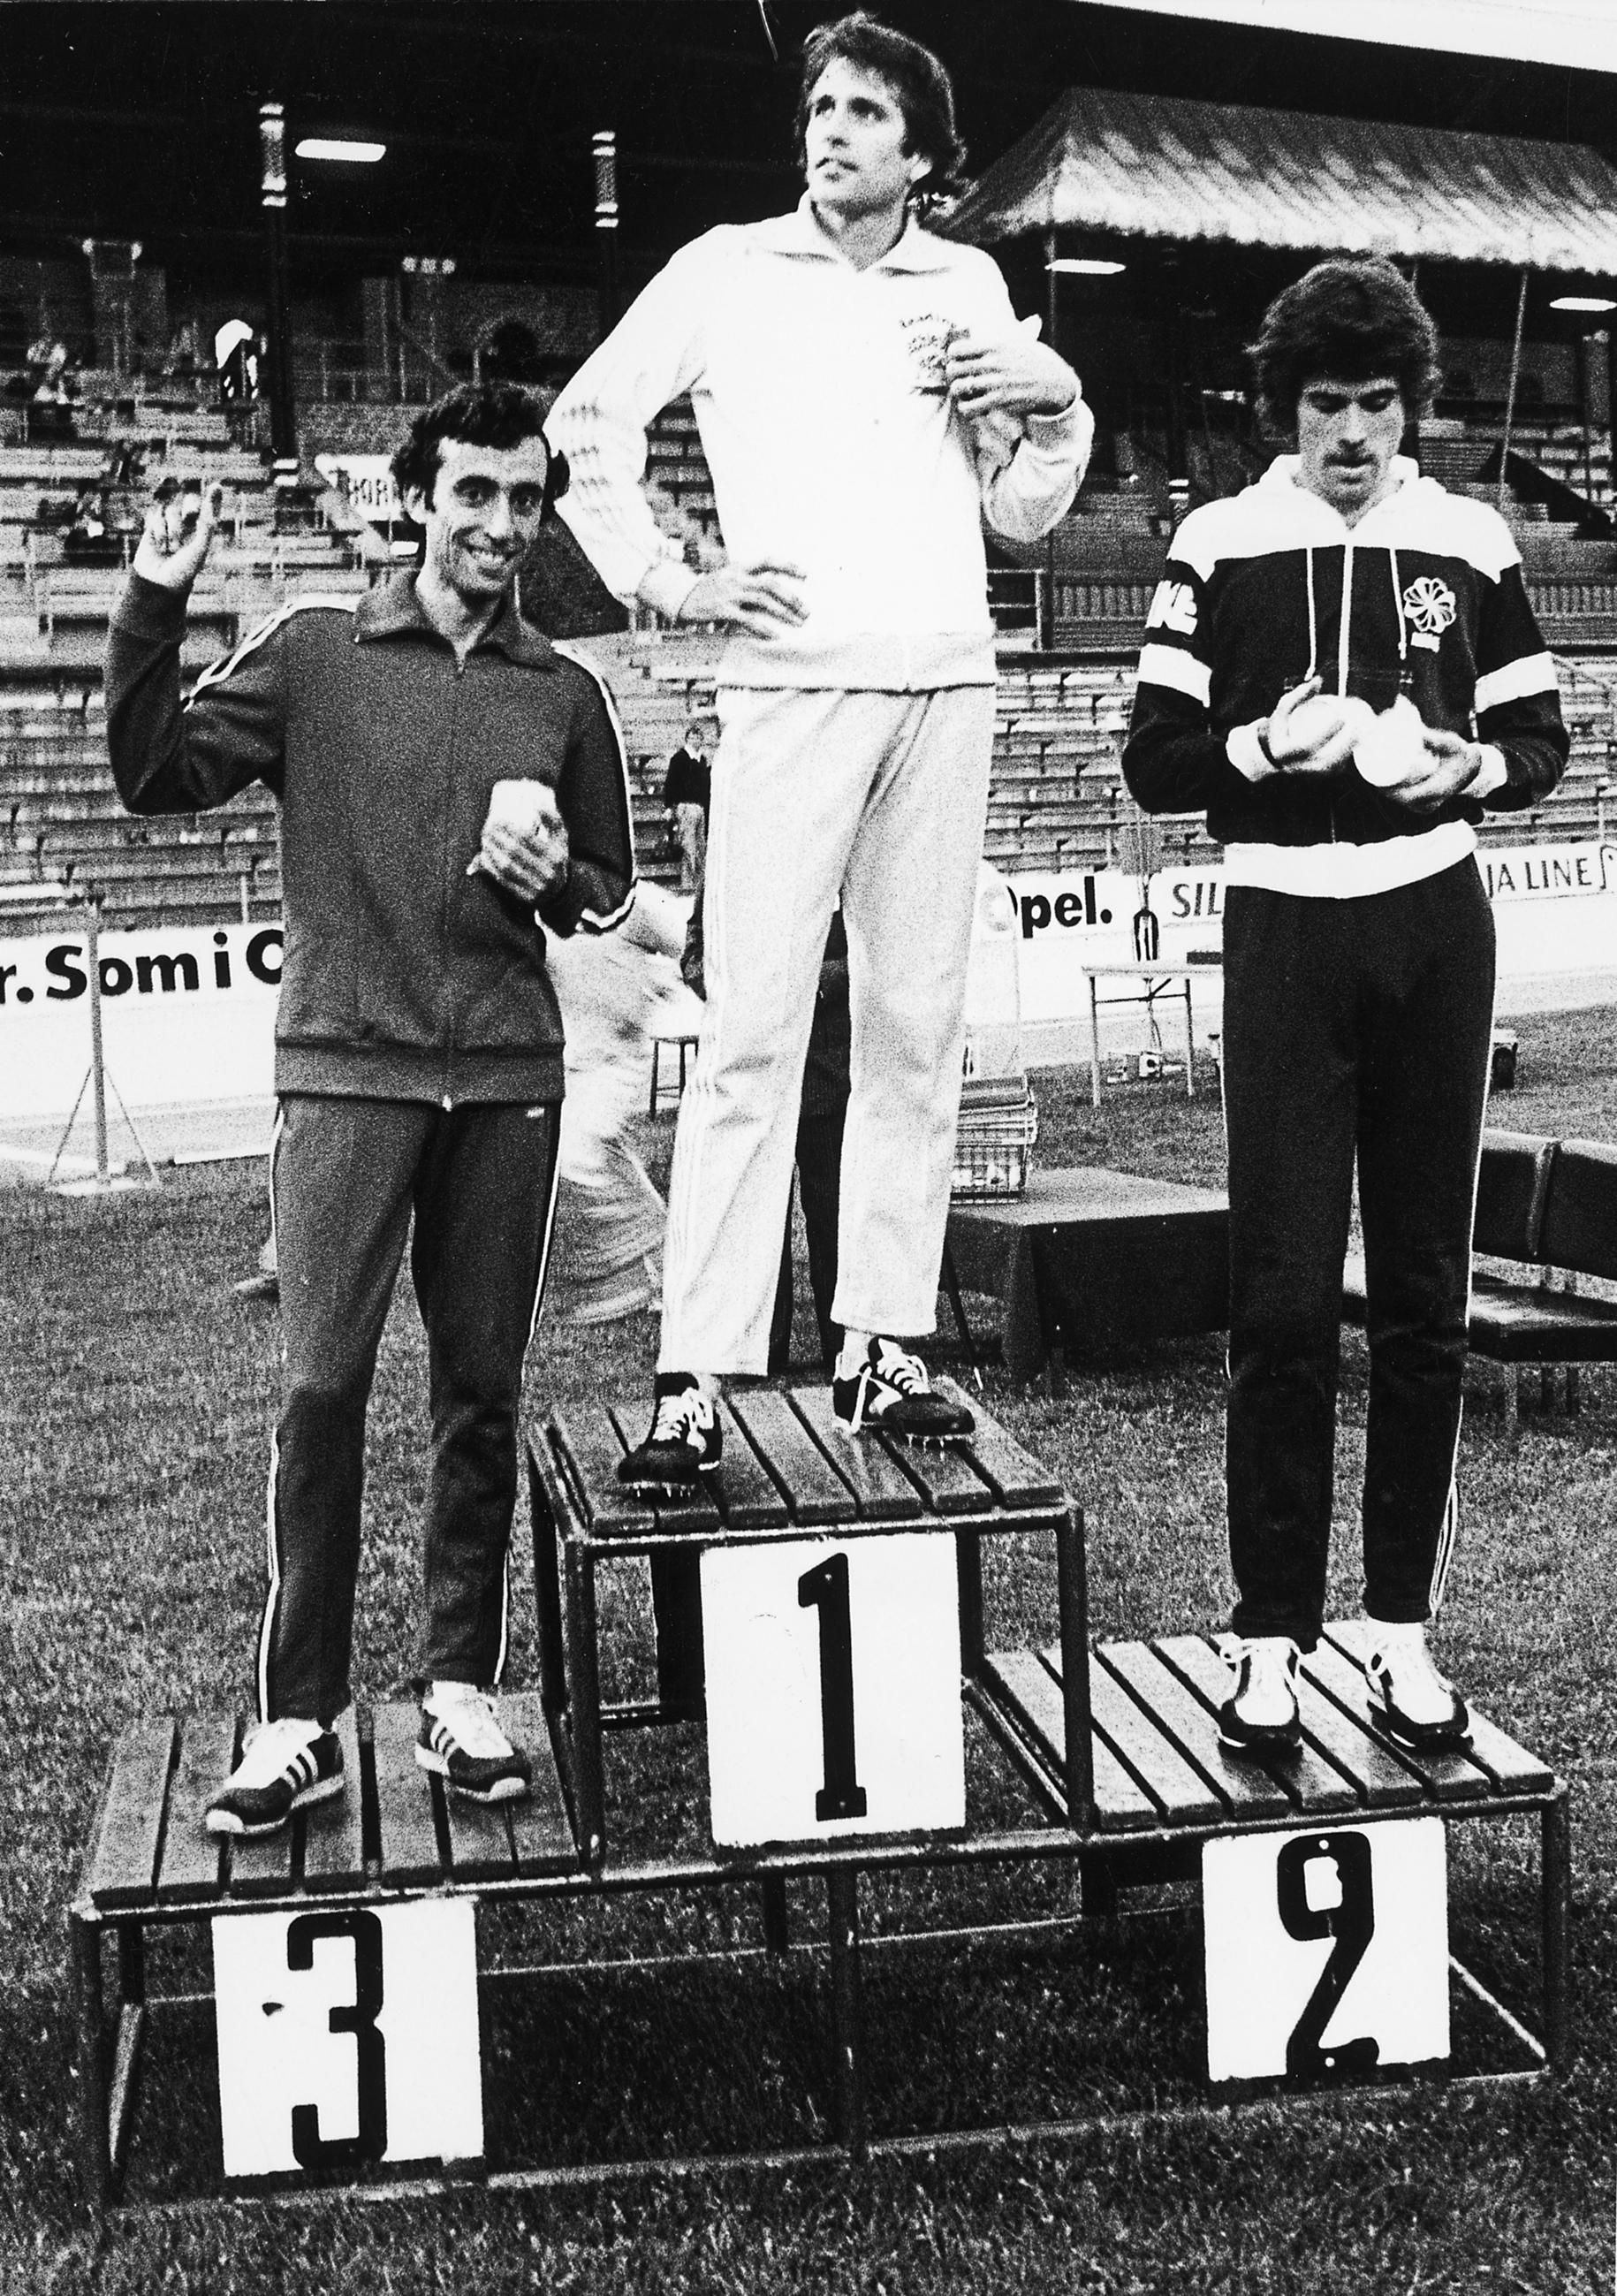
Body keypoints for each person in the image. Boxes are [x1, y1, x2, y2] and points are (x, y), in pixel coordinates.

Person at [548, 10, 1090, 1490]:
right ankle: (695, 1366)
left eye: (865, 112)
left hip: (947, 682)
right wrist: (669, 575)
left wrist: (1063, 411)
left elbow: (1025, 508)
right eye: (823, 105)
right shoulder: (728, 269)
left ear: (921, 152)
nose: (832, 128)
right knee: (749, 1034)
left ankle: (881, 1341)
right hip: (789, 685)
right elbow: (585, 421)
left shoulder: (967, 281)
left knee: (918, 1029)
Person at [105, 382, 635, 1836]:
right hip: (346, 1076)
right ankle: (299, 1721)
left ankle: (460, 1686)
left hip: (510, 1089)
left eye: (525, 500)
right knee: (322, 1389)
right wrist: (157, 595)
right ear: (416, 499)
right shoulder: (318, 656)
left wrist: (557, 882)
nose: (499, 526)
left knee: (480, 1394)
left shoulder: (562, 691)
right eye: (474, 493)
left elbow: (613, 887)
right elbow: (152, 772)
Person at [1122, 257, 1568, 1756]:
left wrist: (1478, 773)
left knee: (1428, 1297)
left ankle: (1399, 1629)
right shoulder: (1220, 538)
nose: (1355, 433)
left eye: (1380, 403)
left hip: (1436, 923)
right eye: (1326, 403)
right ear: (1284, 406)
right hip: (1288, 930)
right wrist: (1253, 745)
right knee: (1287, 1293)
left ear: (1411, 406)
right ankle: (1269, 1635)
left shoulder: (1468, 536)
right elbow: (1156, 761)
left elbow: (1542, 733)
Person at [660, 719, 711, 893]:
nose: (695, 741)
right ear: (687, 739)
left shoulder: (702, 759)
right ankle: (688, 883)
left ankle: (699, 884)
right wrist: (668, 806)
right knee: (689, 847)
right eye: (692, 738)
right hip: (686, 807)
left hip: (699, 807)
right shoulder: (679, 758)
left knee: (700, 847)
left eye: (698, 738)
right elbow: (671, 783)